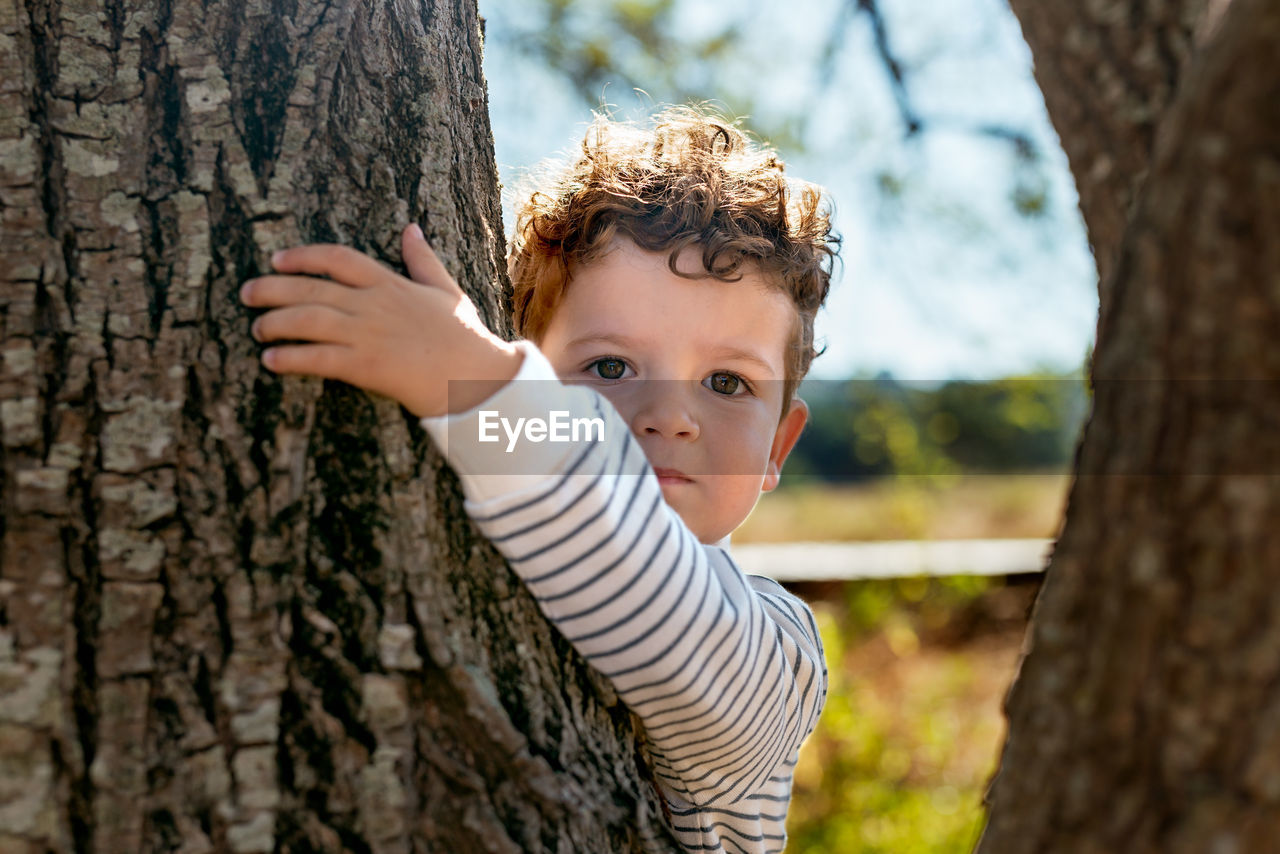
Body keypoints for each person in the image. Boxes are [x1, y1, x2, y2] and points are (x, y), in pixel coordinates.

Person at [239, 106, 838, 854]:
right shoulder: (484, 520)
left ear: (779, 444)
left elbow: (660, 607)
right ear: (531, 361)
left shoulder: (781, 654)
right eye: (611, 367)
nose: (670, 416)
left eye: (726, 381)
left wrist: (471, 386)